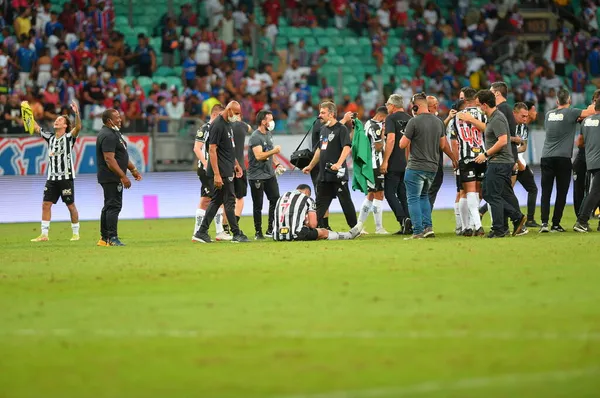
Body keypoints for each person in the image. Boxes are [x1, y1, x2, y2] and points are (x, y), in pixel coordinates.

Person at [399, 93, 456, 240]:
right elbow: (442, 145)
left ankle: (418, 231)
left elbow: (402, 144)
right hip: (432, 167)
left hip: (416, 166)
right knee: (424, 196)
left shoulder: (414, 121)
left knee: (412, 198)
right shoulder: (438, 122)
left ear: (416, 106)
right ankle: (428, 227)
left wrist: (405, 132)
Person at [192, 101, 249, 243]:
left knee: (216, 201)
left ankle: (201, 232)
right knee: (229, 200)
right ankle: (236, 233)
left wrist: (236, 164)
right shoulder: (217, 125)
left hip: (227, 167)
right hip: (221, 171)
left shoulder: (227, 124)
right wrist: (216, 174)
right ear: (228, 110)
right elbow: (212, 149)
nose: (237, 116)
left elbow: (229, 148)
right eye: (236, 113)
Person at [539, 88, 595, 233]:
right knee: (561, 192)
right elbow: (592, 112)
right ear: (569, 101)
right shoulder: (572, 112)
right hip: (563, 158)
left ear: (557, 101)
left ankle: (544, 223)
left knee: (546, 192)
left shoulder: (548, 115)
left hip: (546, 157)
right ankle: (555, 224)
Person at [474, 90, 526, 238]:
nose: (478, 108)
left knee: (489, 194)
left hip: (499, 161)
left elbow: (503, 140)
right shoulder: (492, 118)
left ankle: (508, 222)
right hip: (501, 161)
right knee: (499, 195)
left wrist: (485, 154)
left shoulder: (497, 118)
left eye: (478, 105)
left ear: (484, 105)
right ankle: (503, 226)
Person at [30, 101, 82, 242]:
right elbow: (36, 128)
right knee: (46, 204)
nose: (56, 121)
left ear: (65, 125)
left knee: (70, 206)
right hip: (52, 178)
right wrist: (29, 116)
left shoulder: (69, 138)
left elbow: (78, 127)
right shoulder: (50, 138)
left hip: (66, 178)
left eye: (60, 120)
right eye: (56, 119)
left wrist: (76, 113)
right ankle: (44, 235)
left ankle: (76, 233)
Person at [302, 101, 358, 229]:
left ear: (331, 114)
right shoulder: (323, 130)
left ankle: (355, 228)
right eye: (320, 112)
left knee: (345, 202)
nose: (319, 115)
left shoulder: (341, 129)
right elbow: (319, 150)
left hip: (337, 174)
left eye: (323, 112)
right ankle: (313, 228)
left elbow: (346, 148)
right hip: (324, 174)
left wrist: (339, 163)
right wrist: (310, 166)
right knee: (320, 203)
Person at [96, 109, 143, 246]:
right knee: (114, 206)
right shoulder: (108, 135)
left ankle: (104, 238)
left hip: (111, 176)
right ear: (109, 120)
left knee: (108, 206)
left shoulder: (113, 133)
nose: (120, 119)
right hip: (112, 177)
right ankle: (112, 238)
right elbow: (109, 159)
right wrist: (123, 176)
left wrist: (133, 169)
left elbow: (122, 156)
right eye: (117, 117)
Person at [448, 90, 487, 237]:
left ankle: (474, 225)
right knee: (477, 192)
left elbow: (454, 142)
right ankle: (472, 225)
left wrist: (455, 160)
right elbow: (488, 131)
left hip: (466, 157)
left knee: (467, 191)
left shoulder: (455, 117)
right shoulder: (482, 114)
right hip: (482, 156)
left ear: (465, 100)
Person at [191, 103, 232, 241]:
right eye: (220, 116)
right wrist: (206, 163)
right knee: (214, 199)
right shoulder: (205, 128)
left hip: (211, 169)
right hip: (206, 170)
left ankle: (200, 231)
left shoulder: (216, 128)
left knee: (207, 200)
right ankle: (209, 232)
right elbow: (197, 148)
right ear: (215, 114)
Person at [272, 184, 362, 241]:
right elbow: (313, 225)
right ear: (307, 192)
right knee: (322, 231)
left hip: (276, 235)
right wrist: (306, 222)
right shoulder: (307, 198)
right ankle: (348, 235)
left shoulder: (282, 197)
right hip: (296, 234)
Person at [248, 110, 284, 239]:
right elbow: (258, 155)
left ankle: (271, 228)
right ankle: (258, 232)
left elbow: (269, 152)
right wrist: (274, 150)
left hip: (269, 174)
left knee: (275, 200)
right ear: (263, 121)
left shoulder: (268, 134)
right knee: (258, 205)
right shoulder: (255, 137)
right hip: (256, 175)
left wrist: (277, 164)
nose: (272, 122)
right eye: (270, 119)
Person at [381, 94, 412, 234]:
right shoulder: (410, 119)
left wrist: (385, 161)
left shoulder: (391, 118)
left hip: (394, 160)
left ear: (393, 106)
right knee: (402, 193)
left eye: (387, 105)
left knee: (389, 192)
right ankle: (409, 223)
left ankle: (402, 219)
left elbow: (391, 140)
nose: (387, 107)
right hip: (408, 161)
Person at [356, 106, 389, 234]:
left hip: (369, 165)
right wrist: (383, 135)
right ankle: (379, 228)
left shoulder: (368, 123)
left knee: (370, 195)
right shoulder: (376, 127)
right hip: (376, 165)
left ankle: (359, 226)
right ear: (381, 116)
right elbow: (378, 147)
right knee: (379, 195)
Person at [513, 102, 541, 228]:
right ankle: (525, 219)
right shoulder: (511, 125)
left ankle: (526, 219)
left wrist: (517, 152)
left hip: (519, 161)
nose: (535, 113)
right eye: (534, 110)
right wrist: (515, 155)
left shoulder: (524, 127)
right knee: (531, 189)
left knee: (507, 190)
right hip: (512, 162)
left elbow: (523, 147)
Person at [574, 100, 600, 232]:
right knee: (595, 191)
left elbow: (579, 143)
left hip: (591, 160)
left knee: (596, 191)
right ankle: (582, 221)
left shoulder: (586, 121)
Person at [232, 119, 251, 224]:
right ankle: (235, 223)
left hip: (226, 167)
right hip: (240, 167)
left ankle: (223, 227)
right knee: (239, 197)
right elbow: (249, 128)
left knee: (225, 199)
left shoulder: (222, 126)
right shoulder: (242, 126)